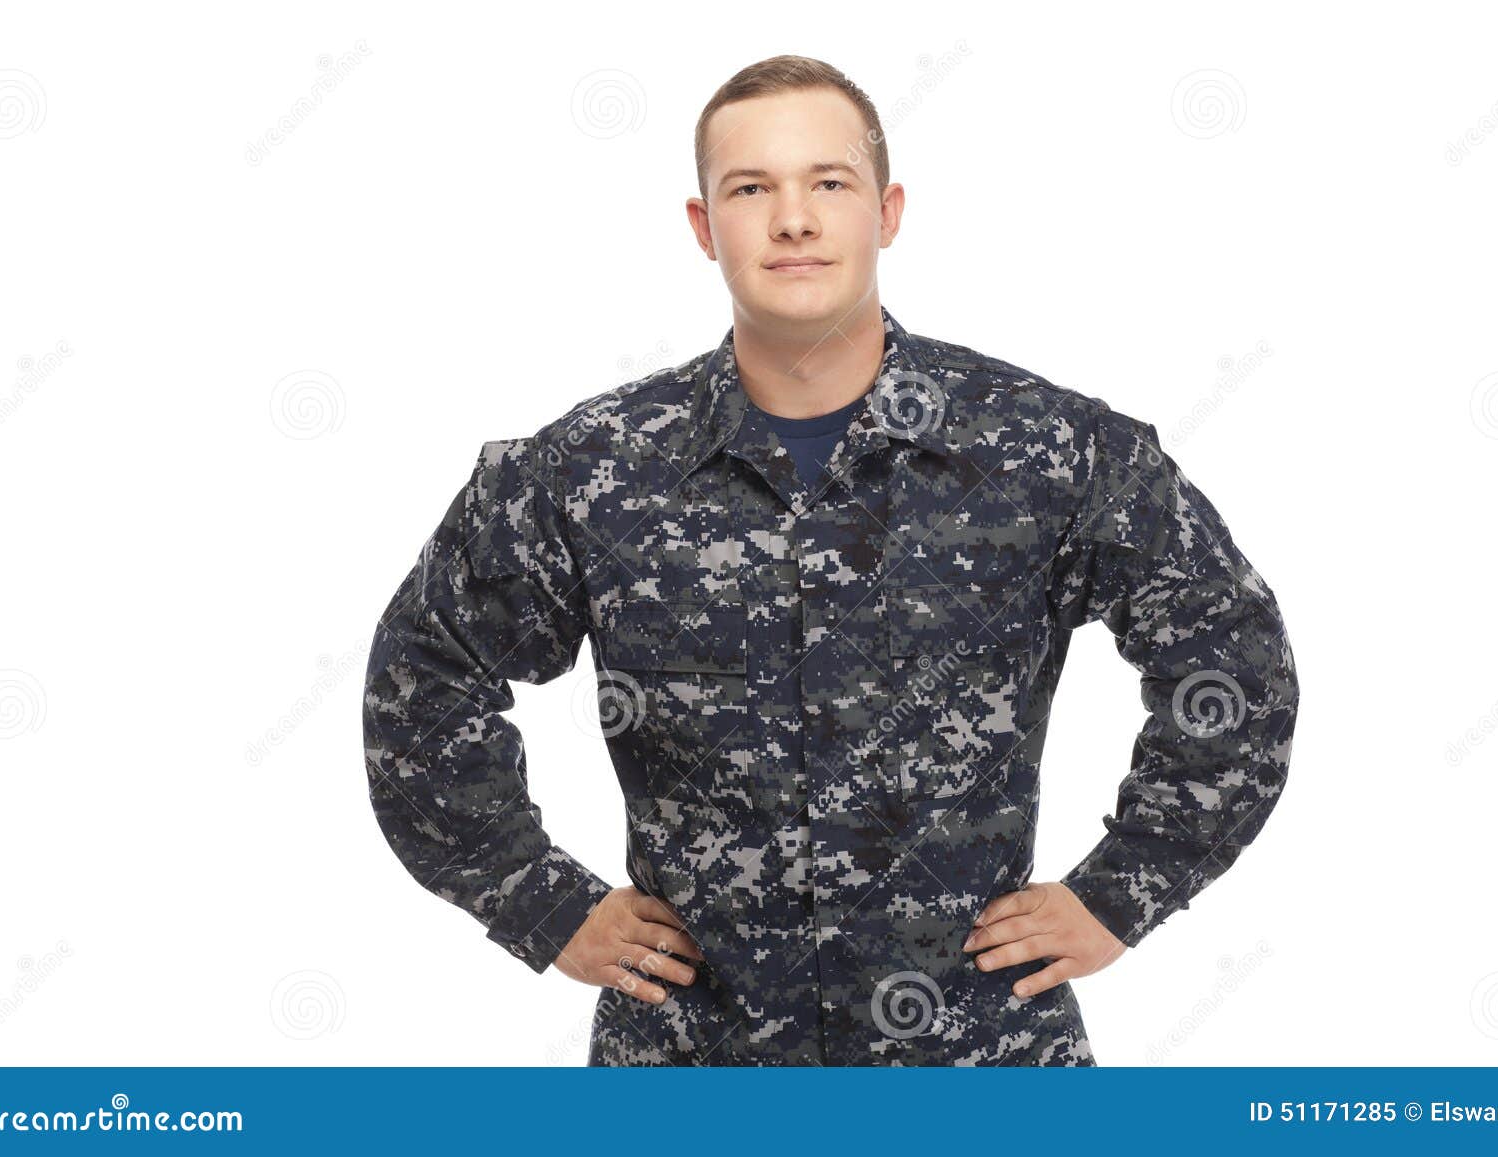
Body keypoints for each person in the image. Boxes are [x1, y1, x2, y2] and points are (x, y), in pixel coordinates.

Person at [361, 54, 1300, 1066]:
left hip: (979, 1060)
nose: (794, 220)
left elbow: (1231, 656)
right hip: (693, 1060)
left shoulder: (1047, 450)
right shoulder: (589, 470)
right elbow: (424, 680)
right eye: (750, 189)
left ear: (886, 213)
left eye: (829, 183)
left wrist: (1121, 891)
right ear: (702, 226)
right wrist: (544, 905)